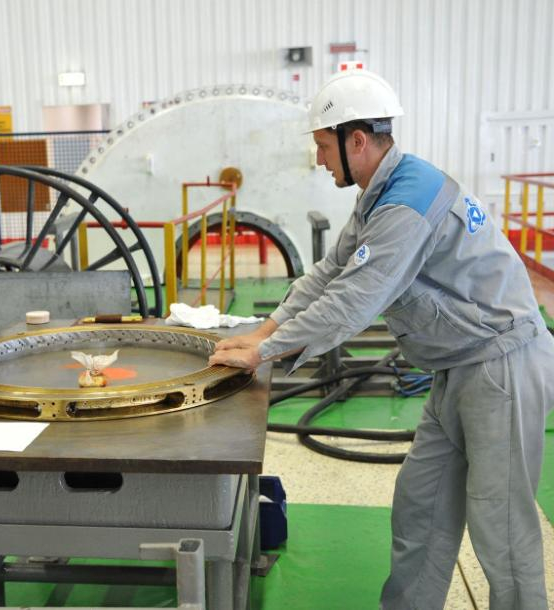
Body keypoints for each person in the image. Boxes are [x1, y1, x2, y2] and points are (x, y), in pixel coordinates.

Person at [210, 69, 554, 609]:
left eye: (324, 147)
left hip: (501, 365)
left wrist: (264, 353)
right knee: (421, 506)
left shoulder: (405, 203)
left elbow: (353, 301)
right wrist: (264, 331)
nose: (319, 159)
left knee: (501, 527)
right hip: (457, 367)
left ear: (357, 141)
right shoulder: (380, 193)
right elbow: (329, 274)